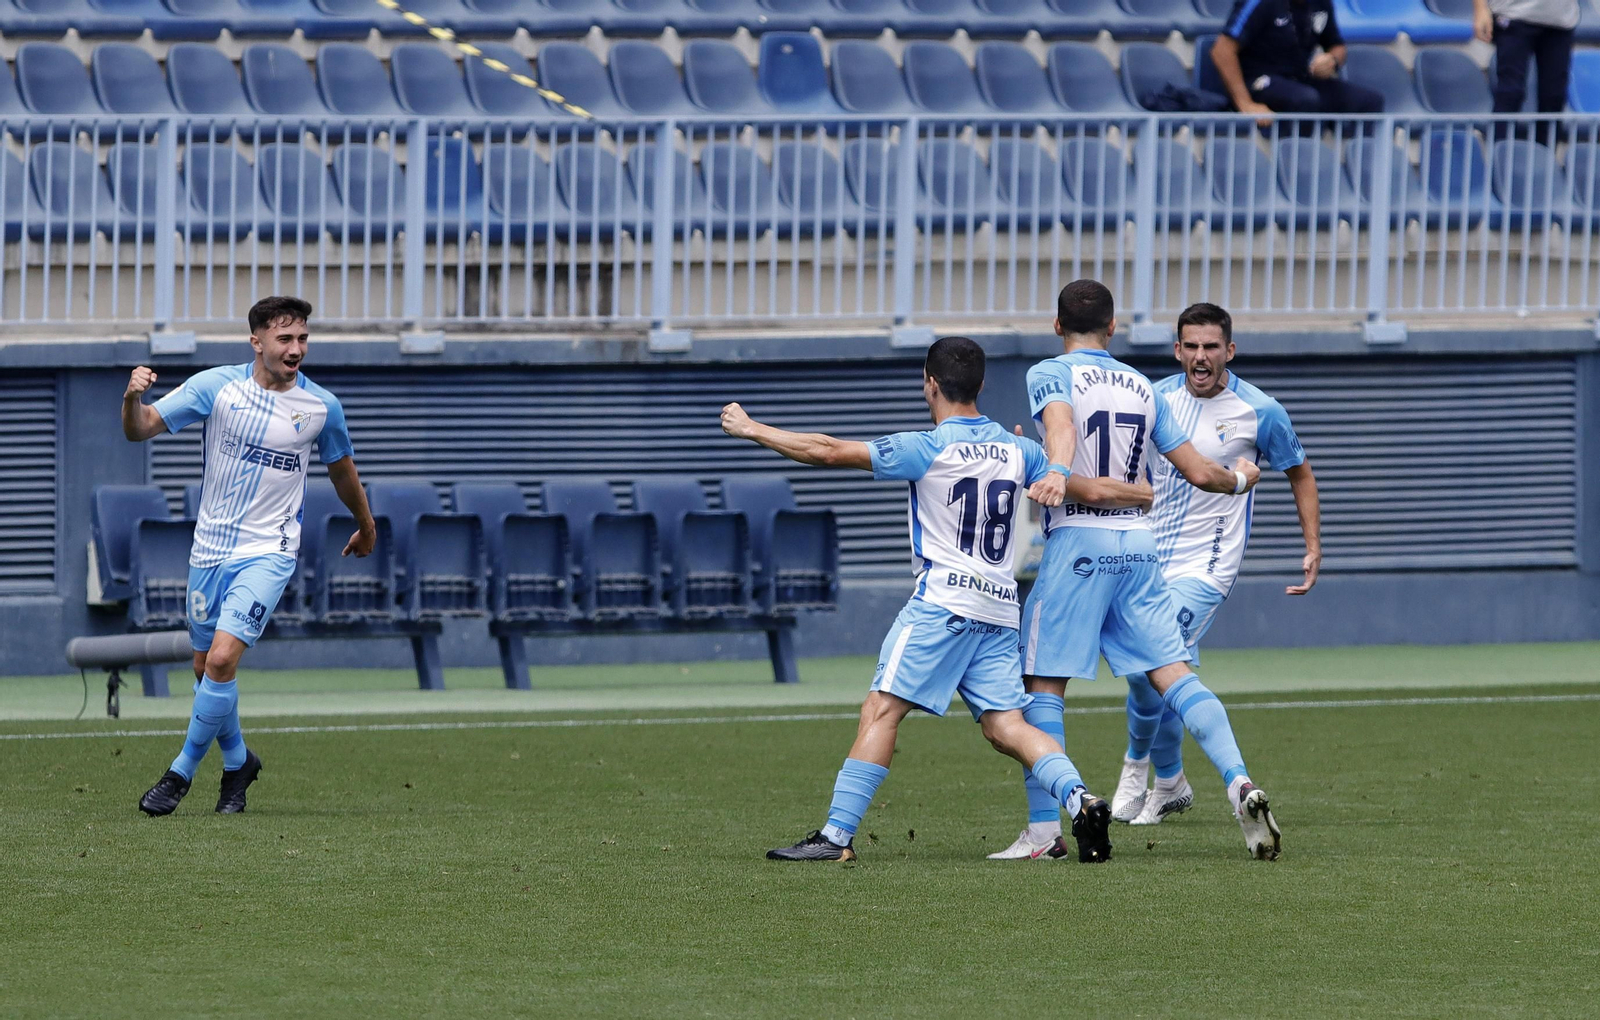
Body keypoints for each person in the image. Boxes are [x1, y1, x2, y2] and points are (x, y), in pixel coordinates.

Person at [720, 336, 1151, 864]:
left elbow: (827, 450)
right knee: (1007, 726)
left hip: (943, 604)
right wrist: (1143, 493)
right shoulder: (1020, 451)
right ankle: (1079, 797)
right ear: (982, 384)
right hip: (999, 611)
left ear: (930, 384)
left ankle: (835, 838)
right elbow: (1086, 490)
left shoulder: (926, 446)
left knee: (881, 710)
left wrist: (752, 428)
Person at [988, 281, 1283, 863]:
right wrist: (1242, 478)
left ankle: (1046, 831)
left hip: (1079, 544)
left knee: (1042, 687)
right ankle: (1239, 782)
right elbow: (1200, 472)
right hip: (1140, 549)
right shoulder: (1145, 387)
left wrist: (1055, 467)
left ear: (1057, 325)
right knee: (1174, 674)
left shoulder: (1049, 372)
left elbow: (1062, 426)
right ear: (1113, 326)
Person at [122, 296, 377, 816]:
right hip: (210, 549)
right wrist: (131, 398)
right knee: (205, 668)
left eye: (302, 338)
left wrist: (366, 525)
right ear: (256, 342)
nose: (296, 349)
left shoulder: (320, 407)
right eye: (285, 339)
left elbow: (342, 470)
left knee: (221, 659)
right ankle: (239, 761)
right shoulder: (217, 388)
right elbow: (140, 427)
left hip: (270, 550)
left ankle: (178, 775)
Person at [1110, 303, 1321, 827]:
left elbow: (1299, 473)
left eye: (1211, 347)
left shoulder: (1260, 410)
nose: (1200, 356)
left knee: (1152, 662)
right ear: (1177, 350)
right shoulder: (1154, 399)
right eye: (1191, 346)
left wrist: (1312, 545)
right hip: (1148, 557)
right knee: (1147, 674)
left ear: (1230, 350)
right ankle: (1169, 783)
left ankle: (1141, 769)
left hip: (1207, 565)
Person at [1211, 0, 1382, 128]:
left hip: (1301, 78)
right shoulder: (1259, 2)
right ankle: (1296, 161)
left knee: (1368, 102)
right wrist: (1245, 104)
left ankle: (1353, 162)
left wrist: (1332, 60)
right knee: (1305, 100)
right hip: (1259, 80)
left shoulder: (1321, 3)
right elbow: (1221, 51)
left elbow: (1336, 46)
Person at [1474, 0, 1577, 144]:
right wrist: (1480, 8)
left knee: (1554, 97)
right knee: (1510, 92)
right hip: (1513, 14)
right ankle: (1499, 153)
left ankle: (1546, 156)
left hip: (1560, 20)